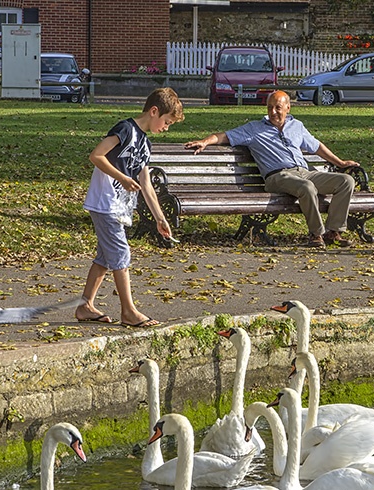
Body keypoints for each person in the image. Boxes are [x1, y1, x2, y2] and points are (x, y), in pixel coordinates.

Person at [184, 90, 358, 248]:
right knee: (307, 187)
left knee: (346, 181)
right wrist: (205, 141)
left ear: (288, 108)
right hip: (278, 177)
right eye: (269, 108)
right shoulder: (254, 129)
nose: (273, 112)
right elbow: (225, 136)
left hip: (304, 172)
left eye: (278, 107)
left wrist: (340, 163)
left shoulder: (297, 126)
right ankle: (316, 234)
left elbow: (316, 146)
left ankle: (333, 232)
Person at [75, 87, 184, 327]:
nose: (166, 128)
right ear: (154, 111)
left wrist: (160, 218)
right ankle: (128, 311)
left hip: (119, 208)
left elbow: (146, 184)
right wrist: (122, 178)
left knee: (105, 257)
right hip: (104, 203)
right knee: (121, 254)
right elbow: (97, 156)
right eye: (166, 122)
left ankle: (85, 306)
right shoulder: (125, 129)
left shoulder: (145, 144)